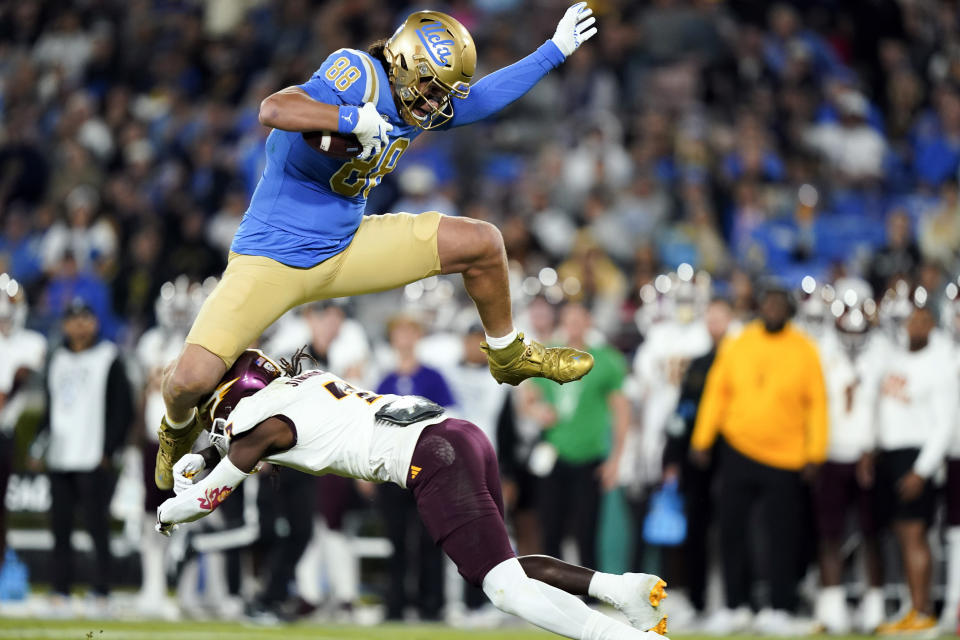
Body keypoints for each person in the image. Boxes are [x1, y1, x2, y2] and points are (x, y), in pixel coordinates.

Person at [154, 4, 600, 491]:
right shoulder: (360, 75)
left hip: (346, 243)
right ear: (406, 63)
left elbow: (479, 100)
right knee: (187, 382)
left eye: (441, 93)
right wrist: (350, 119)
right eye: (430, 88)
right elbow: (273, 110)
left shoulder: (423, 100)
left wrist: (552, 52)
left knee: (482, 242)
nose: (434, 104)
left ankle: (507, 352)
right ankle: (176, 432)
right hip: (273, 256)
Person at [157, 349, 668, 640]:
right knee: (504, 566)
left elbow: (207, 497)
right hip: (461, 435)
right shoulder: (301, 386)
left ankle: (618, 639)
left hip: (430, 457)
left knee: (502, 589)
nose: (216, 421)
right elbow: (241, 448)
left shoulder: (260, 424)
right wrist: (201, 457)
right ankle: (621, 590)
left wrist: (167, 510)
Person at [690, 282, 827, 635]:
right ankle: (736, 605)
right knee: (731, 531)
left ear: (790, 311)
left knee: (783, 535)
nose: (773, 310)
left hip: (787, 456)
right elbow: (716, 394)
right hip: (738, 449)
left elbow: (817, 404)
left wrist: (816, 452)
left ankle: (781, 607)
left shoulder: (804, 350)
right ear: (759, 308)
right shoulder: (739, 344)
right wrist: (703, 438)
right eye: (768, 304)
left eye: (780, 305)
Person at [30, 297, 133, 614]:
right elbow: (51, 407)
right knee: (60, 528)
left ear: (95, 323)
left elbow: (122, 408)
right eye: (73, 319)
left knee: (96, 527)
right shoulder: (57, 358)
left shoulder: (108, 357)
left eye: (85, 318)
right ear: (64, 325)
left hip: (93, 456)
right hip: (61, 455)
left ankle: (101, 590)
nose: (79, 325)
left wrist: (108, 450)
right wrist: (39, 444)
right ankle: (61, 588)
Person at [520, 302, 631, 572]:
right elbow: (526, 399)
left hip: (589, 454)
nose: (574, 327)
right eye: (569, 321)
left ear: (588, 323)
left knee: (587, 530)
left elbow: (621, 411)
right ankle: (554, 590)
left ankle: (589, 593)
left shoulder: (604, 360)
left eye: (579, 320)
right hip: (554, 452)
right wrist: (538, 411)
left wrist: (616, 458)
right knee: (551, 528)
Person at [872, 301, 957, 633]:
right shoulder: (895, 359)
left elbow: (945, 425)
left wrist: (922, 469)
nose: (917, 327)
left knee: (915, 534)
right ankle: (913, 607)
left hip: (917, 456)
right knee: (901, 535)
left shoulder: (939, 366)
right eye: (913, 321)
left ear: (933, 325)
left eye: (924, 321)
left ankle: (923, 611)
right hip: (892, 455)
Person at [375, 312, 454, 620]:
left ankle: (431, 605)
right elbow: (375, 427)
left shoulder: (433, 377)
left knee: (428, 540)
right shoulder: (385, 380)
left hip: (426, 471)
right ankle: (395, 605)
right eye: (399, 332)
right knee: (395, 540)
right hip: (394, 470)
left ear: (418, 337)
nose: (405, 338)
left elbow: (449, 421)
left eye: (410, 331)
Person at [660, 297, 733, 617]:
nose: (715, 325)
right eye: (711, 319)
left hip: (733, 456)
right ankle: (697, 599)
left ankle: (736, 602)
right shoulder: (699, 364)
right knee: (696, 530)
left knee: (735, 530)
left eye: (721, 318)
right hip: (697, 459)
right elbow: (683, 412)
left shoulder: (741, 359)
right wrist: (672, 457)